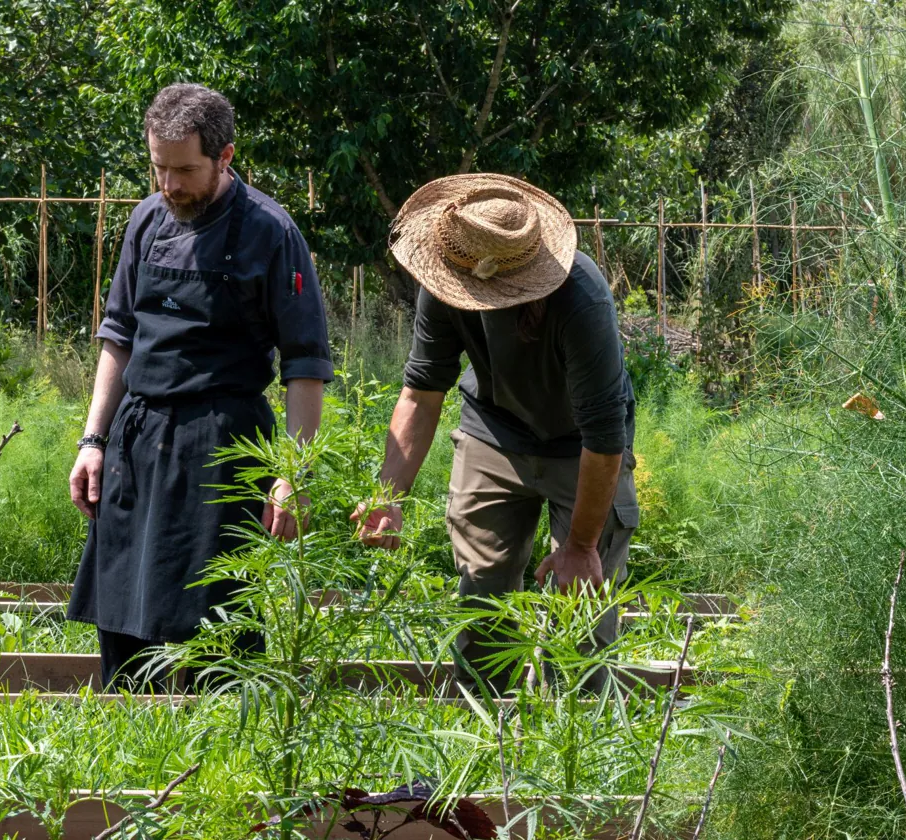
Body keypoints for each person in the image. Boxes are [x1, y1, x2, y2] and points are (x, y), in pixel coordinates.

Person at [66, 83, 333, 689]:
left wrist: (292, 472)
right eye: (159, 168)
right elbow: (119, 336)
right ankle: (129, 756)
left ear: (226, 157)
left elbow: (305, 366)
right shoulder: (145, 220)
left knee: (219, 620)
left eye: (185, 170)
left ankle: (222, 762)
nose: (170, 186)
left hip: (225, 442)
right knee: (124, 620)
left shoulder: (271, 231)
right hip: (138, 437)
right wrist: (93, 439)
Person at [352, 173, 639, 691]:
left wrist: (579, 545)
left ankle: (574, 745)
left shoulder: (580, 297)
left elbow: (604, 435)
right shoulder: (450, 269)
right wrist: (386, 496)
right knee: (482, 595)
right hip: (493, 429)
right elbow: (421, 391)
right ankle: (487, 731)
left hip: (581, 447)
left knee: (580, 614)